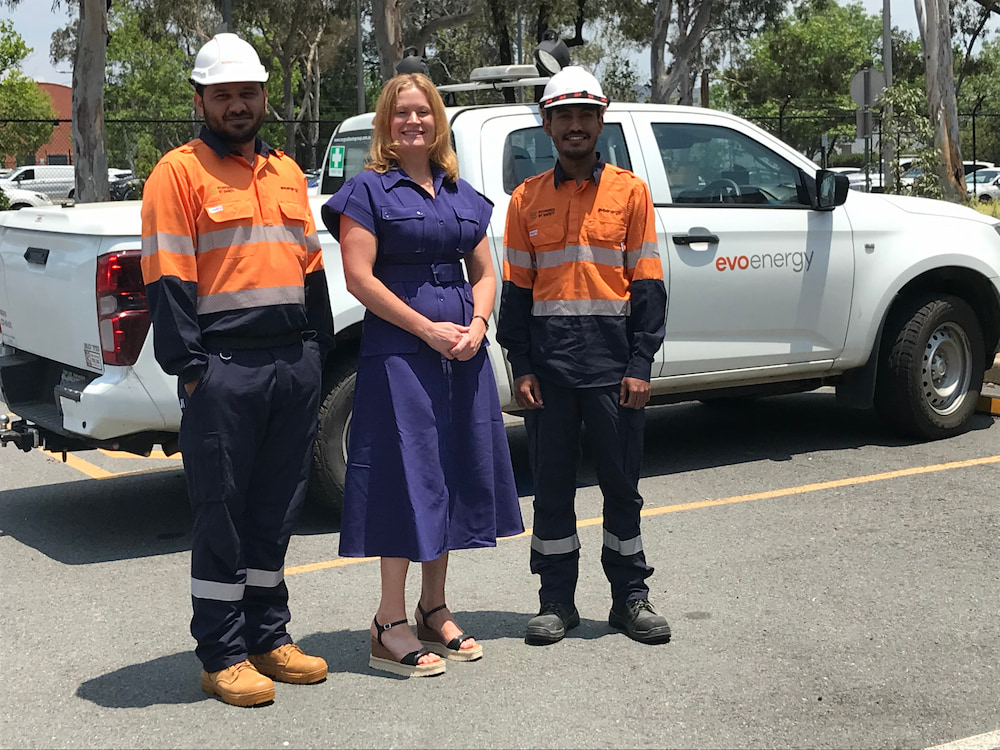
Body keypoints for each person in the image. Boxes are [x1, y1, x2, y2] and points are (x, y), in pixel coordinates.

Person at [141, 33, 335, 707]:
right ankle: (221, 654)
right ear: (201, 100)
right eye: (223, 95)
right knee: (220, 514)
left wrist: (318, 353)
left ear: (263, 98)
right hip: (223, 367)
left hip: (292, 364)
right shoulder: (179, 173)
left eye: (247, 93)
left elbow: (311, 270)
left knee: (275, 510)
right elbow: (166, 278)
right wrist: (192, 370)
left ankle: (268, 636)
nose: (237, 105)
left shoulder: (284, 171)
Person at [321, 73, 523, 678]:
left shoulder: (460, 191)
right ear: (387, 122)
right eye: (403, 113)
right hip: (401, 354)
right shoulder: (366, 191)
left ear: (439, 122)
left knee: (452, 468)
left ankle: (434, 607)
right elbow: (360, 279)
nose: (414, 122)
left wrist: (478, 323)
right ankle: (388, 622)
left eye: (424, 113)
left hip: (461, 350)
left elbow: (486, 271)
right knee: (405, 476)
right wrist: (426, 329)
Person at [497, 66, 671, 647]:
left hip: (613, 369)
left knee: (622, 486)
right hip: (550, 372)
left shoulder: (631, 193)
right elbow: (517, 292)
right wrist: (520, 366)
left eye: (585, 115)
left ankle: (630, 599)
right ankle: (556, 602)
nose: (575, 125)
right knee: (551, 489)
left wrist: (641, 363)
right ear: (547, 125)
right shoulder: (526, 200)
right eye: (563, 115)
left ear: (601, 121)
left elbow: (647, 284)